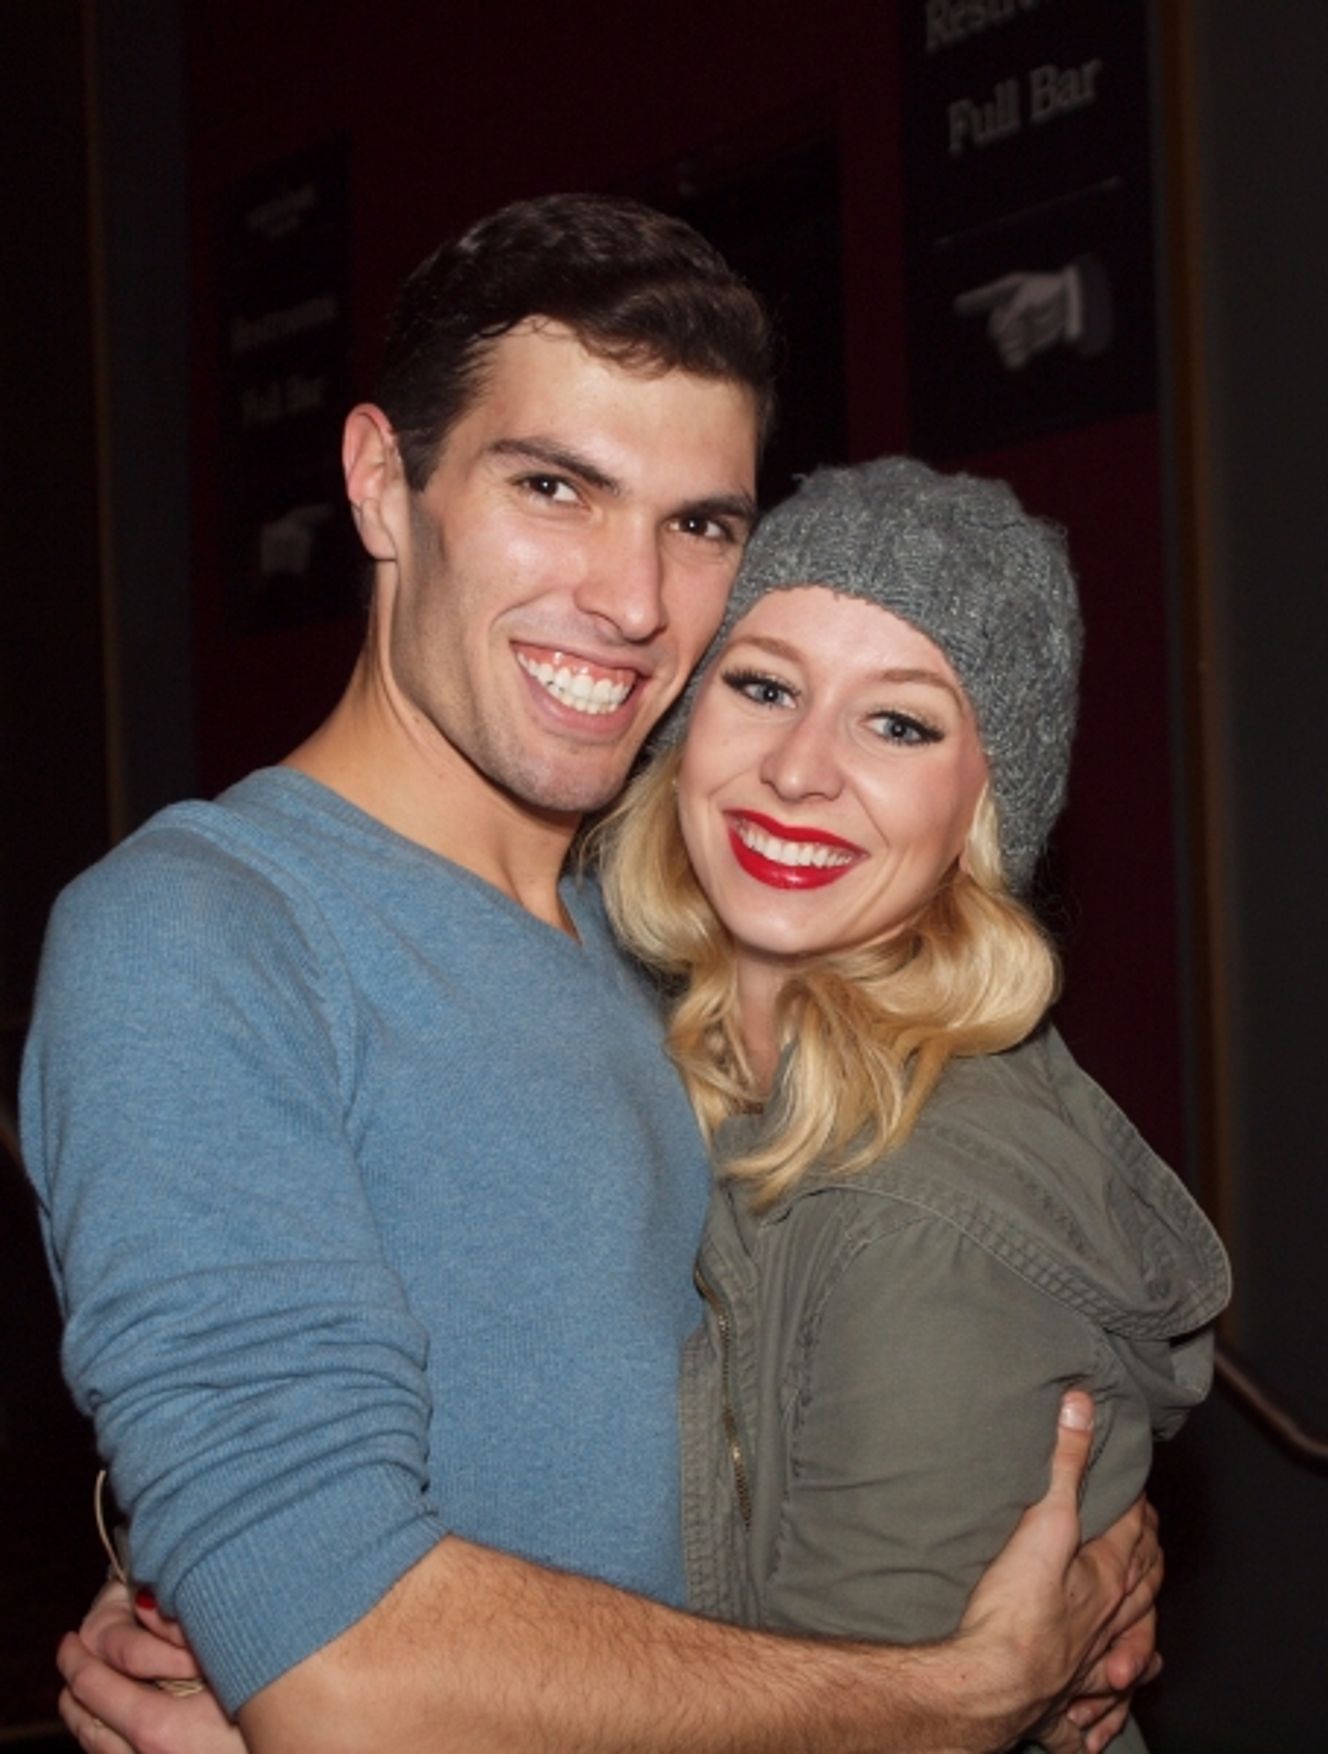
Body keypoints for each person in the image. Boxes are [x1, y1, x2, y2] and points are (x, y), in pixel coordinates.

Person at [25, 196, 1158, 1754]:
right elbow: (341, 1667)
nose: (634, 601)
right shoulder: (201, 935)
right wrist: (950, 1697)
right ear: (379, 483)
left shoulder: (683, 926)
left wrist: (1098, 1519)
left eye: (700, 524)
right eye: (554, 486)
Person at [592, 458, 1229, 1749]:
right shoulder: (656, 1054)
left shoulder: (921, 1210)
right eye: (763, 686)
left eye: (901, 722)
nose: (800, 769)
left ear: (981, 808)